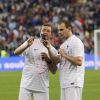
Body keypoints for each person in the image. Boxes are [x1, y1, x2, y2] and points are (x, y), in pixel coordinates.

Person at [14, 23, 57, 100]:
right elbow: (16, 52)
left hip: (42, 88)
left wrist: (48, 60)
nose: (45, 32)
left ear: (51, 34)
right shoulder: (31, 42)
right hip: (26, 86)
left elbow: (54, 71)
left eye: (48, 31)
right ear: (40, 32)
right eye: (44, 30)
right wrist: (27, 45)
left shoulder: (53, 50)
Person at [47, 20, 85, 100]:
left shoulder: (76, 42)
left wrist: (64, 55)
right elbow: (56, 60)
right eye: (58, 30)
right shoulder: (63, 45)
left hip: (73, 83)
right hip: (65, 83)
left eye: (61, 29)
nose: (59, 32)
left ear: (69, 29)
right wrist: (48, 48)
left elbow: (79, 61)